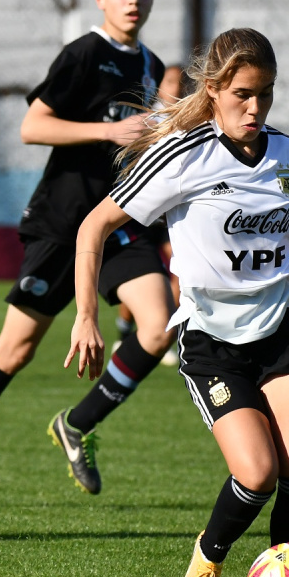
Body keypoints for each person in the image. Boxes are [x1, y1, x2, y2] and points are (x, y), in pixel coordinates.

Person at [64, 28, 289, 577]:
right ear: (212, 91)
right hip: (212, 339)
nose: (255, 108)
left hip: (283, 328)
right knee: (256, 472)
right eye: (242, 94)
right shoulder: (183, 155)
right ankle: (208, 559)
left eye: (265, 94)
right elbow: (93, 227)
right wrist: (86, 316)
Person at [0, 0, 175, 505]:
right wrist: (107, 134)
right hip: (63, 223)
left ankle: (78, 424)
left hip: (117, 223)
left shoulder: (151, 68)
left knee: (160, 325)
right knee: (16, 349)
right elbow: (31, 126)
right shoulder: (84, 53)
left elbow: (139, 141)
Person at [112, 64, 189, 365]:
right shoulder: (148, 120)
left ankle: (166, 332)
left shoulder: (187, 120)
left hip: (171, 214)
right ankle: (124, 333)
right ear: (159, 86)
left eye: (181, 83)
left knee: (178, 271)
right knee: (144, 274)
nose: (177, 88)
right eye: (171, 81)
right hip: (143, 213)